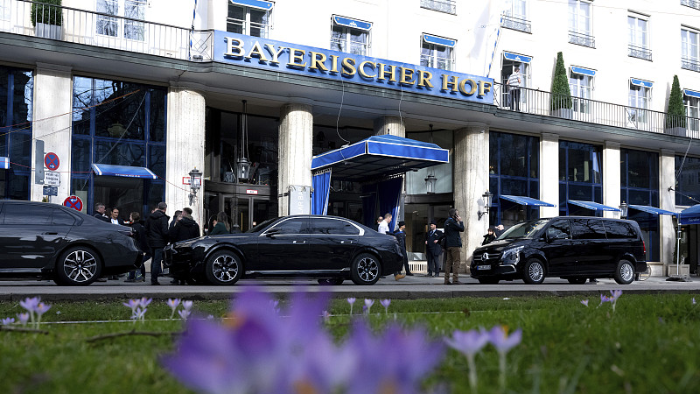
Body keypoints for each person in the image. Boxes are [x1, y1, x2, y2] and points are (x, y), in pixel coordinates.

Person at [168, 207, 201, 285]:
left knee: (178, 263)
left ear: (185, 213)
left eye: (182, 212)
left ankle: (178, 278)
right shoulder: (195, 224)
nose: (181, 213)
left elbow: (173, 234)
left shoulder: (179, 223)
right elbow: (197, 237)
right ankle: (188, 278)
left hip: (180, 246)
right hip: (190, 246)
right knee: (189, 263)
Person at [145, 202, 169, 285]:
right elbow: (165, 232)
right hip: (160, 242)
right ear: (165, 209)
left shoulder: (150, 217)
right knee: (157, 261)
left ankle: (153, 278)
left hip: (151, 241)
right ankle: (154, 280)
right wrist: (166, 239)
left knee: (153, 260)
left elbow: (146, 229)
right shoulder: (163, 218)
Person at [441, 208, 465, 285]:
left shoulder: (446, 222)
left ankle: (446, 279)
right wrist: (460, 221)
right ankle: (455, 279)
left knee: (448, 262)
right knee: (457, 261)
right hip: (455, 244)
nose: (458, 215)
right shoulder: (452, 222)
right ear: (454, 215)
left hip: (448, 244)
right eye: (457, 214)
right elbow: (462, 229)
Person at [126, 212, 149, 283]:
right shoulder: (141, 226)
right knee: (138, 262)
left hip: (135, 247)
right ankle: (138, 277)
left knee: (137, 262)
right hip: (140, 248)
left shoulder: (133, 227)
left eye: (130, 216)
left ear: (132, 218)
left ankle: (136, 277)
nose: (129, 217)